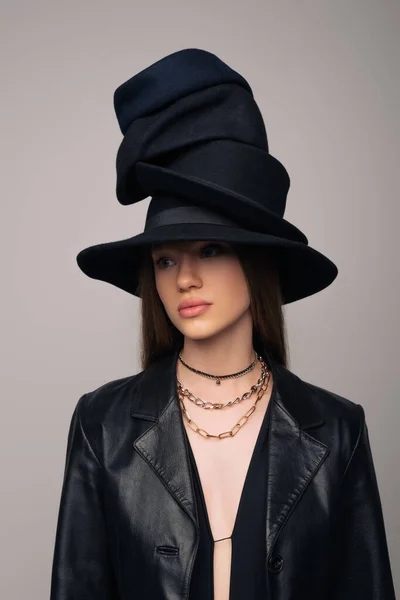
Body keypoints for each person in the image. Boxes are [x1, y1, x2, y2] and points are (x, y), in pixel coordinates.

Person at [49, 49, 396, 599]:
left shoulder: (337, 428)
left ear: (255, 262)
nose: (184, 278)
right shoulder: (104, 424)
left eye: (209, 250)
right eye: (165, 259)